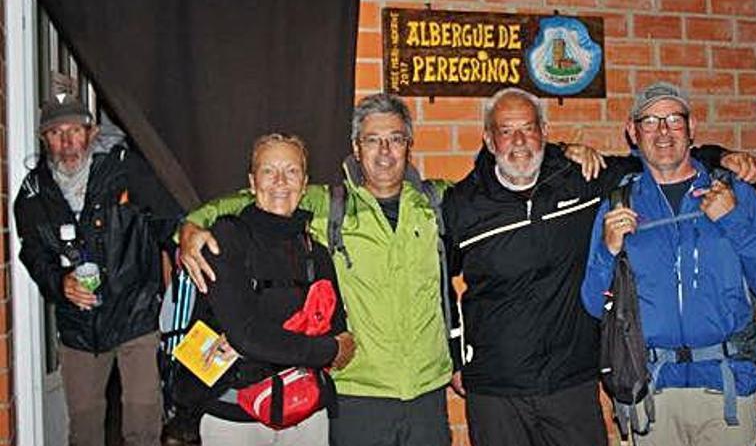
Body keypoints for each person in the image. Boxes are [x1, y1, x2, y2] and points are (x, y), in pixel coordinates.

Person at [442, 87, 756, 446]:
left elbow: (661, 159)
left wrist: (721, 156)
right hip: (495, 388)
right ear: (488, 138)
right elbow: (437, 283)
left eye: (528, 128)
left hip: (572, 382)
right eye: (505, 130)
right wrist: (455, 357)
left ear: (544, 131)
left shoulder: (584, 179)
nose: (518, 141)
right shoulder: (461, 205)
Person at [178, 94, 460, 446]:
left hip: (425, 391)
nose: (385, 150)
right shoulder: (329, 204)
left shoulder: (436, 204)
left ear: (409, 146)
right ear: (356, 148)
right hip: (358, 392)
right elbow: (256, 200)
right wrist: (190, 227)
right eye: (372, 139)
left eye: (396, 138)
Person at [581, 82, 756, 446]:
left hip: (726, 391)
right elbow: (593, 303)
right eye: (650, 121)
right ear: (633, 133)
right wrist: (607, 251)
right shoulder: (619, 203)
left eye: (673, 119)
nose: (663, 131)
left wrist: (733, 221)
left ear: (692, 128)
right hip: (652, 395)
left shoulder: (735, 194)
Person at [13, 95, 181, 446]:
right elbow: (34, 253)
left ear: (91, 133)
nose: (67, 142)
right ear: (45, 140)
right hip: (79, 326)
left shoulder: (126, 169)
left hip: (135, 313)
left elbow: (167, 218)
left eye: (75, 130)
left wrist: (184, 243)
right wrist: (60, 283)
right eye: (56, 133)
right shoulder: (33, 193)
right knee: (84, 428)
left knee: (142, 421)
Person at [173, 133, 355, 445]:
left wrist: (327, 346)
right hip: (235, 414)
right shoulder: (225, 239)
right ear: (252, 180)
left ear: (305, 181)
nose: (281, 181)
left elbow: (339, 331)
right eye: (269, 171)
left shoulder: (317, 252)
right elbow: (248, 335)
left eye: (292, 171)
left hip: (305, 412)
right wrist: (326, 349)